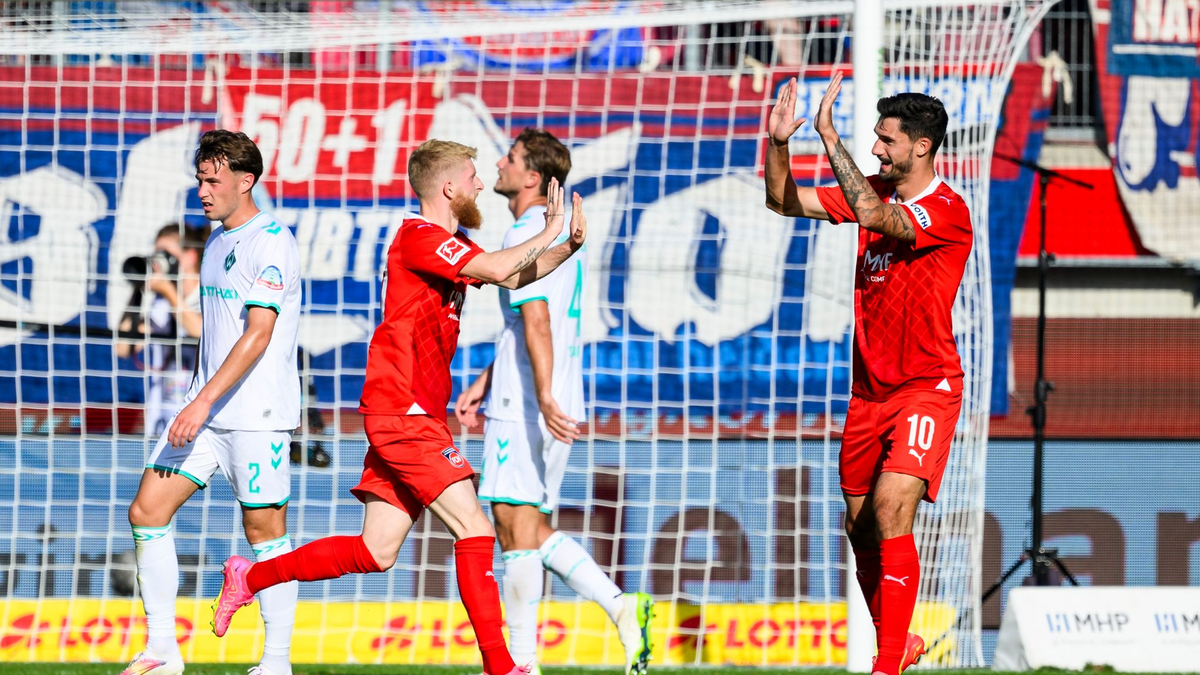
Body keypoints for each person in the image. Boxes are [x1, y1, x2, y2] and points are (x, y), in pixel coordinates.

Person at [212, 139, 588, 675]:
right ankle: (503, 666)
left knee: (375, 551)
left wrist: (565, 247)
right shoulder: (420, 236)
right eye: (474, 176)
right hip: (402, 410)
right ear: (450, 186)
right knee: (476, 529)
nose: (481, 183)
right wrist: (547, 232)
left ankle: (250, 577)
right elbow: (504, 270)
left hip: (412, 411)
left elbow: (514, 274)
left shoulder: (448, 242)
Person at [764, 74, 972, 675]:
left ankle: (885, 665)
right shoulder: (876, 188)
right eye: (875, 140)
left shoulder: (947, 209)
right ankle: (896, 641)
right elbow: (783, 201)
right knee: (858, 526)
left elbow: (875, 216)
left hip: (927, 387)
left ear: (922, 146)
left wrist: (828, 136)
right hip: (868, 391)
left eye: (886, 139)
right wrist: (780, 144)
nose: (878, 149)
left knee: (889, 505)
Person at [454, 129, 654, 675]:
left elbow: (536, 314)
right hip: (557, 389)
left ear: (533, 179)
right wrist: (486, 377)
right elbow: (530, 321)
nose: (499, 163)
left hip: (530, 400)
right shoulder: (560, 229)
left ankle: (522, 662)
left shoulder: (528, 231)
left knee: (512, 528)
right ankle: (620, 605)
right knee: (533, 526)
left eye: (511, 158)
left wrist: (536, 394)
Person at [119, 129, 302, 675]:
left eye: (213, 179)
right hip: (206, 412)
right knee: (147, 511)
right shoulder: (217, 240)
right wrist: (199, 401)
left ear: (246, 181)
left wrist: (200, 403)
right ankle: (162, 651)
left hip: (256, 418)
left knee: (266, 535)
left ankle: (276, 662)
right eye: (199, 178)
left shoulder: (273, 240)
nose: (202, 189)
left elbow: (257, 335)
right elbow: (216, 334)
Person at [116, 222, 209, 437]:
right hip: (162, 421)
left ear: (190, 257)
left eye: (165, 254)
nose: (158, 260)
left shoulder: (208, 296)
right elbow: (122, 348)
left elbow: (200, 331)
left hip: (199, 418)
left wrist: (168, 291)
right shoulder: (160, 304)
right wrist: (138, 289)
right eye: (156, 253)